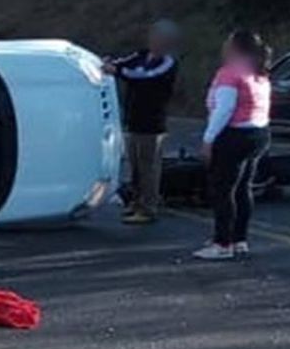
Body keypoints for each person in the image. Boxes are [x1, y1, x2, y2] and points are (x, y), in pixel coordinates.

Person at [192, 31, 273, 261]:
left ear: (235, 48)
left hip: (234, 135)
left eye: (227, 43)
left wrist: (208, 139)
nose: (223, 47)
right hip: (258, 133)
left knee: (223, 190)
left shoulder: (230, 73)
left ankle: (222, 243)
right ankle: (238, 239)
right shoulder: (259, 72)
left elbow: (224, 109)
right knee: (243, 188)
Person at [103, 19, 180, 225]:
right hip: (134, 119)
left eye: (159, 37)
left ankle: (148, 206)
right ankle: (136, 203)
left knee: (149, 167)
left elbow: (145, 77)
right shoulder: (141, 54)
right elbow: (124, 62)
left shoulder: (168, 63)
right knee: (135, 165)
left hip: (153, 123)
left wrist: (117, 71)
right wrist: (110, 64)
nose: (154, 40)